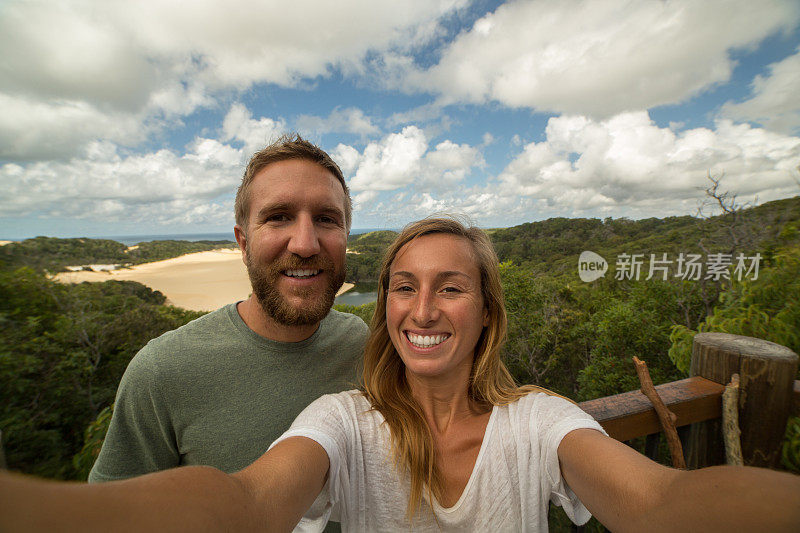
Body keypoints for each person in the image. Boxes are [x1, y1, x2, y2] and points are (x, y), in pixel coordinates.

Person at [1, 217, 799, 532]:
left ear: (485, 308)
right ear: (383, 305)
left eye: (450, 286)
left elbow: (663, 500)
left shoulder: (538, 421)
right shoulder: (344, 421)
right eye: (403, 286)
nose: (423, 308)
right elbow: (244, 499)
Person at [88, 134, 369, 484]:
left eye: (327, 219)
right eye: (279, 217)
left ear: (345, 237)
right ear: (243, 241)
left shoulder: (361, 341)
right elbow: (117, 515)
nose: (305, 244)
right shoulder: (162, 371)